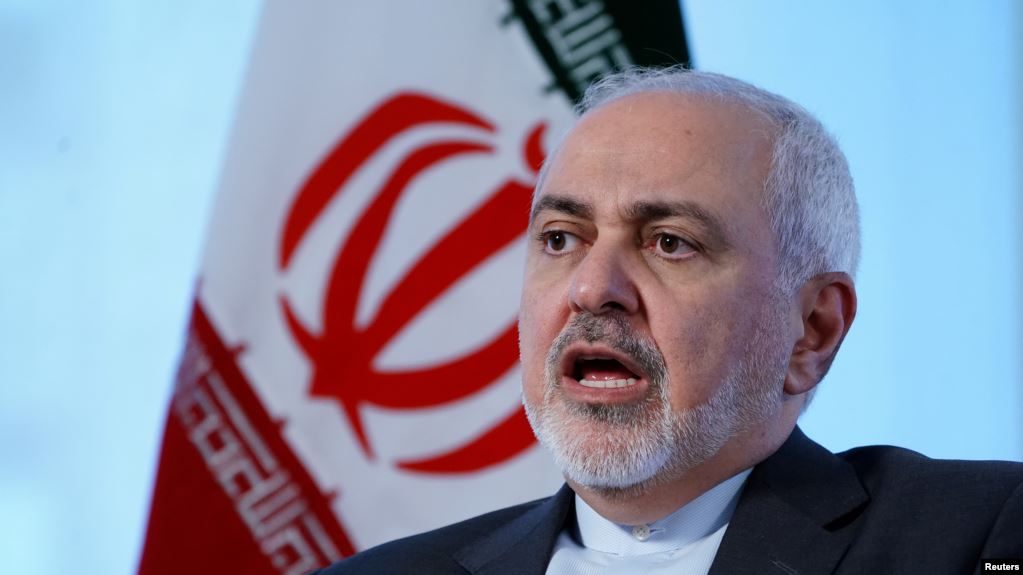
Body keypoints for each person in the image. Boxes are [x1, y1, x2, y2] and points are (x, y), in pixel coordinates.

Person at [313, 67, 1023, 574]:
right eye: (560, 238)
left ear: (812, 330)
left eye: (670, 243)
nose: (592, 288)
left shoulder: (979, 534)